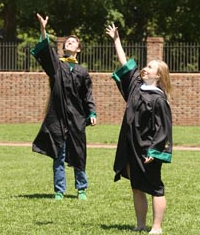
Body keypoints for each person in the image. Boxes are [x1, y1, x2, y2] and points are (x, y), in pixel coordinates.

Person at [106, 23, 172, 234]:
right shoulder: (136, 86)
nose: (146, 68)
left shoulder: (159, 99)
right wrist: (116, 40)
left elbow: (164, 128)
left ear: (159, 75)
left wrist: (155, 150)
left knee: (154, 187)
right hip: (131, 145)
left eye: (151, 67)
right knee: (136, 186)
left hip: (147, 148)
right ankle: (140, 224)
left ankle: (157, 226)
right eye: (147, 65)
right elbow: (125, 64)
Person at [31, 13, 97, 200]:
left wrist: (91, 111)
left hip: (76, 118)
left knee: (79, 152)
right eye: (66, 41)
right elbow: (46, 49)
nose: (69, 43)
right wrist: (43, 30)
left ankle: (81, 188)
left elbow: (87, 95)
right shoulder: (56, 66)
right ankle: (59, 190)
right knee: (58, 154)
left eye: (72, 42)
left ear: (79, 48)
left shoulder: (82, 72)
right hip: (58, 117)